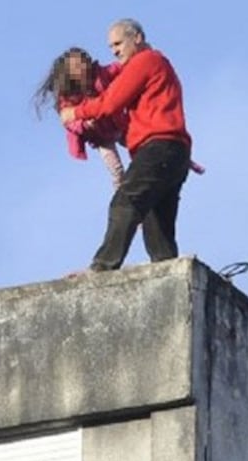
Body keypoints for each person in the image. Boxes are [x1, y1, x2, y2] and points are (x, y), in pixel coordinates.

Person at [60, 19, 194, 272]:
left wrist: (76, 112)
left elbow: (110, 102)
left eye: (119, 43)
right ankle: (166, 271)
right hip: (174, 151)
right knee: (157, 222)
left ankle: (102, 267)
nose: (115, 51)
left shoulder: (145, 61)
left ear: (138, 38)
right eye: (111, 46)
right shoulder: (159, 63)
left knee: (125, 202)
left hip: (158, 147)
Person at [34, 47, 129, 189]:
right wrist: (84, 125)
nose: (82, 68)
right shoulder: (68, 97)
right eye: (77, 67)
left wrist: (132, 61)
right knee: (116, 169)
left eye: (83, 63)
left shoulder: (100, 74)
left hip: (118, 124)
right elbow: (69, 121)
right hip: (100, 137)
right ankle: (122, 195)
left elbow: (118, 68)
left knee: (141, 145)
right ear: (69, 73)